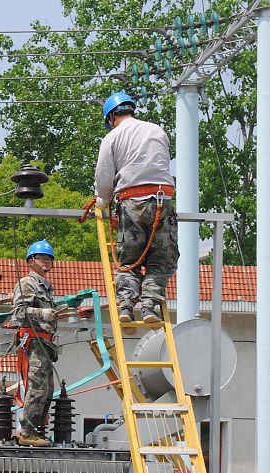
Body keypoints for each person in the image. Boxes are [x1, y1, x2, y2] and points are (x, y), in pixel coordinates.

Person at [93, 91, 179, 323]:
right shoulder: (157, 130)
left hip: (131, 202)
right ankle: (150, 306)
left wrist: (103, 200)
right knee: (161, 260)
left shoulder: (112, 137)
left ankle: (126, 307)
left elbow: (104, 179)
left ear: (111, 117)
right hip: (162, 200)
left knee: (129, 260)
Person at [11, 240, 60, 447]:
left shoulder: (46, 287)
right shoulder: (27, 283)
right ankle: (27, 432)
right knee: (38, 388)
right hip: (34, 342)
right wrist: (43, 313)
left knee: (47, 390)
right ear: (31, 261)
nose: (46, 262)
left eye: (49, 259)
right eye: (42, 258)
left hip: (45, 344)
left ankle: (35, 431)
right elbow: (19, 313)